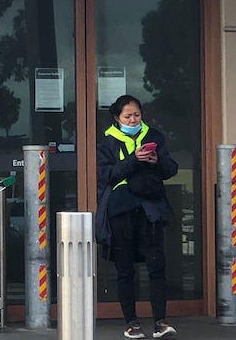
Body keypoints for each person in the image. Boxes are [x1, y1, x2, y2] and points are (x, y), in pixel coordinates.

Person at [96, 94, 179, 339]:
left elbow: (170, 169)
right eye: (127, 116)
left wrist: (156, 160)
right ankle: (131, 323)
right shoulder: (107, 143)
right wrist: (134, 159)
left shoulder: (154, 136)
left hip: (150, 209)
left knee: (156, 265)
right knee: (125, 269)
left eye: (137, 115)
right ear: (117, 117)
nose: (133, 120)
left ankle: (160, 322)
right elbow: (107, 175)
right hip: (121, 211)